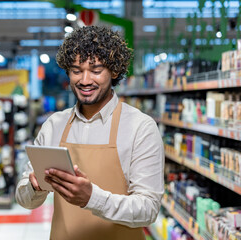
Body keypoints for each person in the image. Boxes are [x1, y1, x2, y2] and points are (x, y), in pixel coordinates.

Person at [16, 26, 164, 240]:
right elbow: (24, 199)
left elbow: (148, 210)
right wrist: (34, 187)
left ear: (114, 71)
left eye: (95, 70)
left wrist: (91, 198)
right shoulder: (54, 126)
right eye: (76, 70)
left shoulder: (140, 127)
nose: (85, 80)